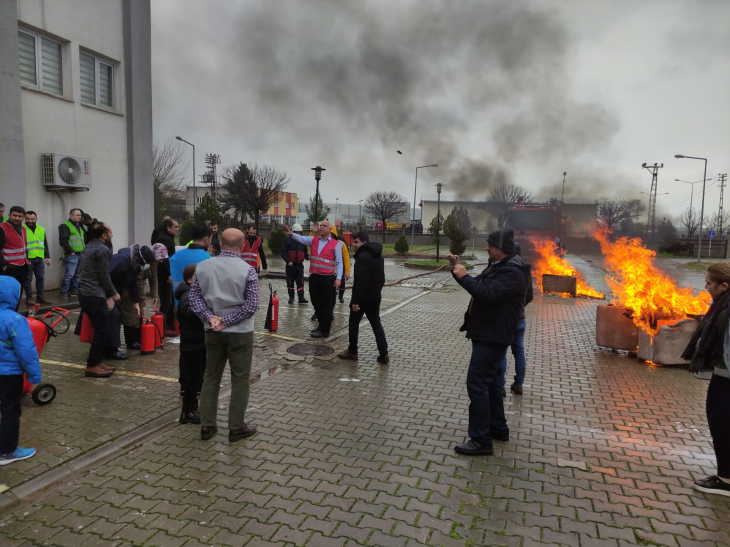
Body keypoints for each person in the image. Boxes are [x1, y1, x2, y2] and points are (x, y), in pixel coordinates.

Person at [448, 228, 530, 456]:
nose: (487, 248)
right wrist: (457, 272)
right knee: (493, 384)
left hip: (493, 334)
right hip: (488, 332)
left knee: (477, 384)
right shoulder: (500, 267)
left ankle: (481, 439)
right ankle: (497, 429)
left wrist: (464, 276)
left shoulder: (513, 272)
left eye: (490, 245)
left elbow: (487, 294)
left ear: (501, 248)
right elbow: (480, 286)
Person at [190, 228, 259, 442]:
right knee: (240, 380)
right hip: (240, 332)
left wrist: (211, 318)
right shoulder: (248, 270)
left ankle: (207, 426)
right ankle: (236, 427)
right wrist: (227, 321)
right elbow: (252, 305)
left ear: (219, 243)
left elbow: (194, 298)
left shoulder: (202, 267)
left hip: (212, 331)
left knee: (211, 376)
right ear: (242, 246)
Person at [682, 263, 730, 497]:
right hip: (723, 377)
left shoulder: (727, 308)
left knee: (722, 425)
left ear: (724, 286)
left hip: (727, 379)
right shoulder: (723, 304)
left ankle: (726, 481)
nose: (705, 286)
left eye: (709, 282)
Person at [0, 277, 42, 466]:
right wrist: (34, 375)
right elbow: (27, 351)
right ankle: (7, 451)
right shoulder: (15, 320)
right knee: (10, 410)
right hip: (9, 375)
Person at [281, 220, 343, 337]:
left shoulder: (335, 244)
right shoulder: (314, 240)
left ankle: (325, 330)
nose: (321, 227)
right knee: (315, 302)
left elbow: (339, 263)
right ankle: (320, 325)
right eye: (320, 226)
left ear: (330, 230)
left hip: (327, 278)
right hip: (314, 276)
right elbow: (301, 239)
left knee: (326, 304)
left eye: (324, 226)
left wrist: (338, 278)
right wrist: (291, 234)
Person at [337, 232, 389, 364]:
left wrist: (356, 302)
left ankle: (352, 351)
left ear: (364, 242)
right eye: (353, 242)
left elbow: (360, 282)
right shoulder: (379, 256)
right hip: (374, 297)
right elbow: (381, 279)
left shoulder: (362, 257)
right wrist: (376, 293)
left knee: (354, 324)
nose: (354, 245)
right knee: (376, 324)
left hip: (362, 299)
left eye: (356, 242)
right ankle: (384, 354)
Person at [77, 222, 119, 378]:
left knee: (101, 328)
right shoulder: (102, 249)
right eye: (110, 232)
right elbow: (104, 275)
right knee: (102, 329)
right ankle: (92, 365)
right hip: (93, 294)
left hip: (85, 293)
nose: (112, 234)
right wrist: (113, 293)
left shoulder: (88, 246)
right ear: (104, 235)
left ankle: (96, 361)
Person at [497, 242, 533, 397]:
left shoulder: (506, 269)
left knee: (502, 352)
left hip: (507, 318)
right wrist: (521, 304)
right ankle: (519, 384)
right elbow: (529, 296)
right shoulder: (525, 270)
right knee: (519, 351)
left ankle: (500, 386)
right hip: (520, 318)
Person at [176, 263, 205, 424]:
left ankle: (192, 408)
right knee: (194, 379)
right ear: (189, 280)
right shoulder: (187, 295)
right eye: (197, 277)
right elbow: (188, 313)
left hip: (198, 341)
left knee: (198, 377)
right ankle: (186, 412)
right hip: (192, 342)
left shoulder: (193, 293)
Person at [116, 245, 155, 351]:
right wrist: (140, 299)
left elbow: (134, 283)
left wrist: (137, 300)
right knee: (129, 317)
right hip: (123, 293)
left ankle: (136, 339)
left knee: (136, 316)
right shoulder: (127, 261)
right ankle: (130, 342)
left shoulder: (135, 264)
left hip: (130, 293)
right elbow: (135, 282)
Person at [0, 206, 31, 305]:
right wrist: (4, 265)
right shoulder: (2, 228)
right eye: (14, 216)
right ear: (9, 215)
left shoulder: (23, 229)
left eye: (20, 216)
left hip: (22, 267)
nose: (17, 218)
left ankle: (14, 314)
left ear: (23, 218)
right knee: (7, 295)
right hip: (9, 268)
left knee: (17, 295)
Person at [153, 218, 179, 337]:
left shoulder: (167, 238)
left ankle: (168, 323)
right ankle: (162, 326)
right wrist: (169, 273)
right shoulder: (164, 239)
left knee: (170, 300)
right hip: (164, 274)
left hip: (167, 272)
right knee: (166, 300)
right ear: (168, 228)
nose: (178, 229)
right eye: (176, 227)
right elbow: (162, 260)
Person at [170, 224, 212, 295]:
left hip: (178, 300)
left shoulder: (175, 256)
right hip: (199, 302)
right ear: (206, 239)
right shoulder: (208, 259)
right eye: (210, 239)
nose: (210, 242)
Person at [24, 211, 52, 307]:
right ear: (25, 218)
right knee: (28, 278)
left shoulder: (41, 229)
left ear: (36, 219)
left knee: (40, 278)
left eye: (32, 219)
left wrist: (47, 256)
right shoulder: (22, 229)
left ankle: (40, 297)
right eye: (28, 219)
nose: (30, 221)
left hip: (39, 258)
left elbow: (45, 243)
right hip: (27, 258)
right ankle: (29, 297)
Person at [58, 208, 85, 301]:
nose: (80, 217)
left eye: (80, 215)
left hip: (80, 253)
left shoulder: (79, 225)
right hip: (72, 254)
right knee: (69, 274)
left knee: (77, 274)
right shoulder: (65, 226)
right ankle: (64, 292)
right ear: (71, 215)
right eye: (77, 215)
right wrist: (70, 251)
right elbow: (63, 241)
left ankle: (74, 290)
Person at [281, 223, 309, 304]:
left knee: (300, 281)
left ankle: (301, 297)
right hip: (290, 266)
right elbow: (283, 252)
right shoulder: (287, 241)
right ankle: (291, 297)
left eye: (299, 232)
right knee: (290, 281)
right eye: (296, 232)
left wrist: (307, 257)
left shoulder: (303, 242)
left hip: (299, 266)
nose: (298, 234)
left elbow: (305, 252)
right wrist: (288, 261)